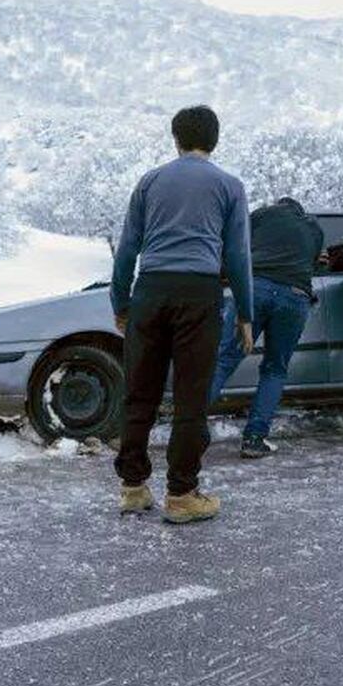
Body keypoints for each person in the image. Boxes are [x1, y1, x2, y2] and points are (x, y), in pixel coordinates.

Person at [111, 105, 254, 524]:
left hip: (151, 290)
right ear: (215, 140)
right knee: (191, 396)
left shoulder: (150, 181)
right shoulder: (229, 185)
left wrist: (122, 303)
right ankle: (182, 494)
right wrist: (245, 313)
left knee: (140, 392)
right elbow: (238, 255)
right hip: (199, 293)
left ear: (175, 139)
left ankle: (133, 488)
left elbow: (127, 250)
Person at [207, 197, 326, 458]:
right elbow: (314, 263)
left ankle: (190, 429)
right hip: (295, 295)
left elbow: (235, 246)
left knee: (224, 360)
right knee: (275, 369)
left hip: (255, 288)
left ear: (278, 205)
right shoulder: (314, 228)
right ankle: (254, 439)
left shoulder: (263, 215)